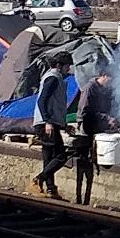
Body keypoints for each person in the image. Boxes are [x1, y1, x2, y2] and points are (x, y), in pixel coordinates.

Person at [70, 67, 120, 205]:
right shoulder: (90, 88)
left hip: (95, 127)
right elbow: (85, 112)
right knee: (84, 162)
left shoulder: (104, 90)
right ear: (103, 76)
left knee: (90, 163)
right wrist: (105, 118)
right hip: (85, 128)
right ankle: (79, 196)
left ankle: (86, 198)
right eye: (110, 79)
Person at [29, 51, 75, 199]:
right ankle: (38, 179)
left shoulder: (55, 78)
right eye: (67, 66)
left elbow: (55, 104)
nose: (69, 69)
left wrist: (63, 125)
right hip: (46, 124)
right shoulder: (53, 78)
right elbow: (43, 100)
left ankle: (50, 190)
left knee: (49, 158)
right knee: (61, 156)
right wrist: (48, 121)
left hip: (48, 122)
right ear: (59, 65)